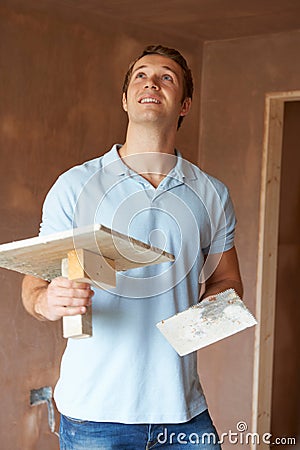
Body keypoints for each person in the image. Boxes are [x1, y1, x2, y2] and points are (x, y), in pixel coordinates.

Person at [22, 45, 243, 449]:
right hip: (93, 415)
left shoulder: (211, 193)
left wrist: (180, 335)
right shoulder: (74, 186)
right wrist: (46, 301)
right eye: (141, 75)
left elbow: (229, 285)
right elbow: (33, 286)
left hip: (183, 415)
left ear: (185, 104)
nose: (151, 83)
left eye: (166, 77)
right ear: (125, 100)